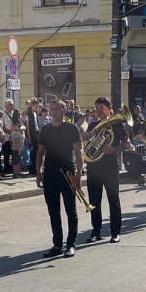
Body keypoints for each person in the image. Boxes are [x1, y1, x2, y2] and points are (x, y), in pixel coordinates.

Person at [35, 99, 85, 257]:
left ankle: (71, 244)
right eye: (52, 109)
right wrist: (39, 172)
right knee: (53, 212)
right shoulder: (45, 129)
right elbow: (40, 152)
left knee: (70, 210)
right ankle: (57, 245)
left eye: (57, 109)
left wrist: (79, 175)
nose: (54, 112)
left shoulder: (72, 128)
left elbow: (79, 153)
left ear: (64, 111)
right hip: (50, 174)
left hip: (67, 173)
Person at [83, 96, 130, 243]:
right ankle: (95, 231)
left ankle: (115, 232)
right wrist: (83, 136)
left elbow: (127, 144)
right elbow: (85, 145)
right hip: (93, 168)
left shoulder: (117, 125)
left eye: (101, 108)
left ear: (109, 108)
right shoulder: (92, 125)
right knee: (93, 201)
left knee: (113, 199)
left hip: (110, 167)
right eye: (96, 108)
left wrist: (113, 149)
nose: (98, 111)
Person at [25, 98, 41, 176]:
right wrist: (29, 138)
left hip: (36, 133)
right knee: (32, 152)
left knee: (36, 152)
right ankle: (32, 169)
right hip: (31, 134)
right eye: (36, 106)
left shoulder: (35, 113)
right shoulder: (28, 114)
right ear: (32, 106)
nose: (37, 108)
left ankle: (36, 168)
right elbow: (27, 127)